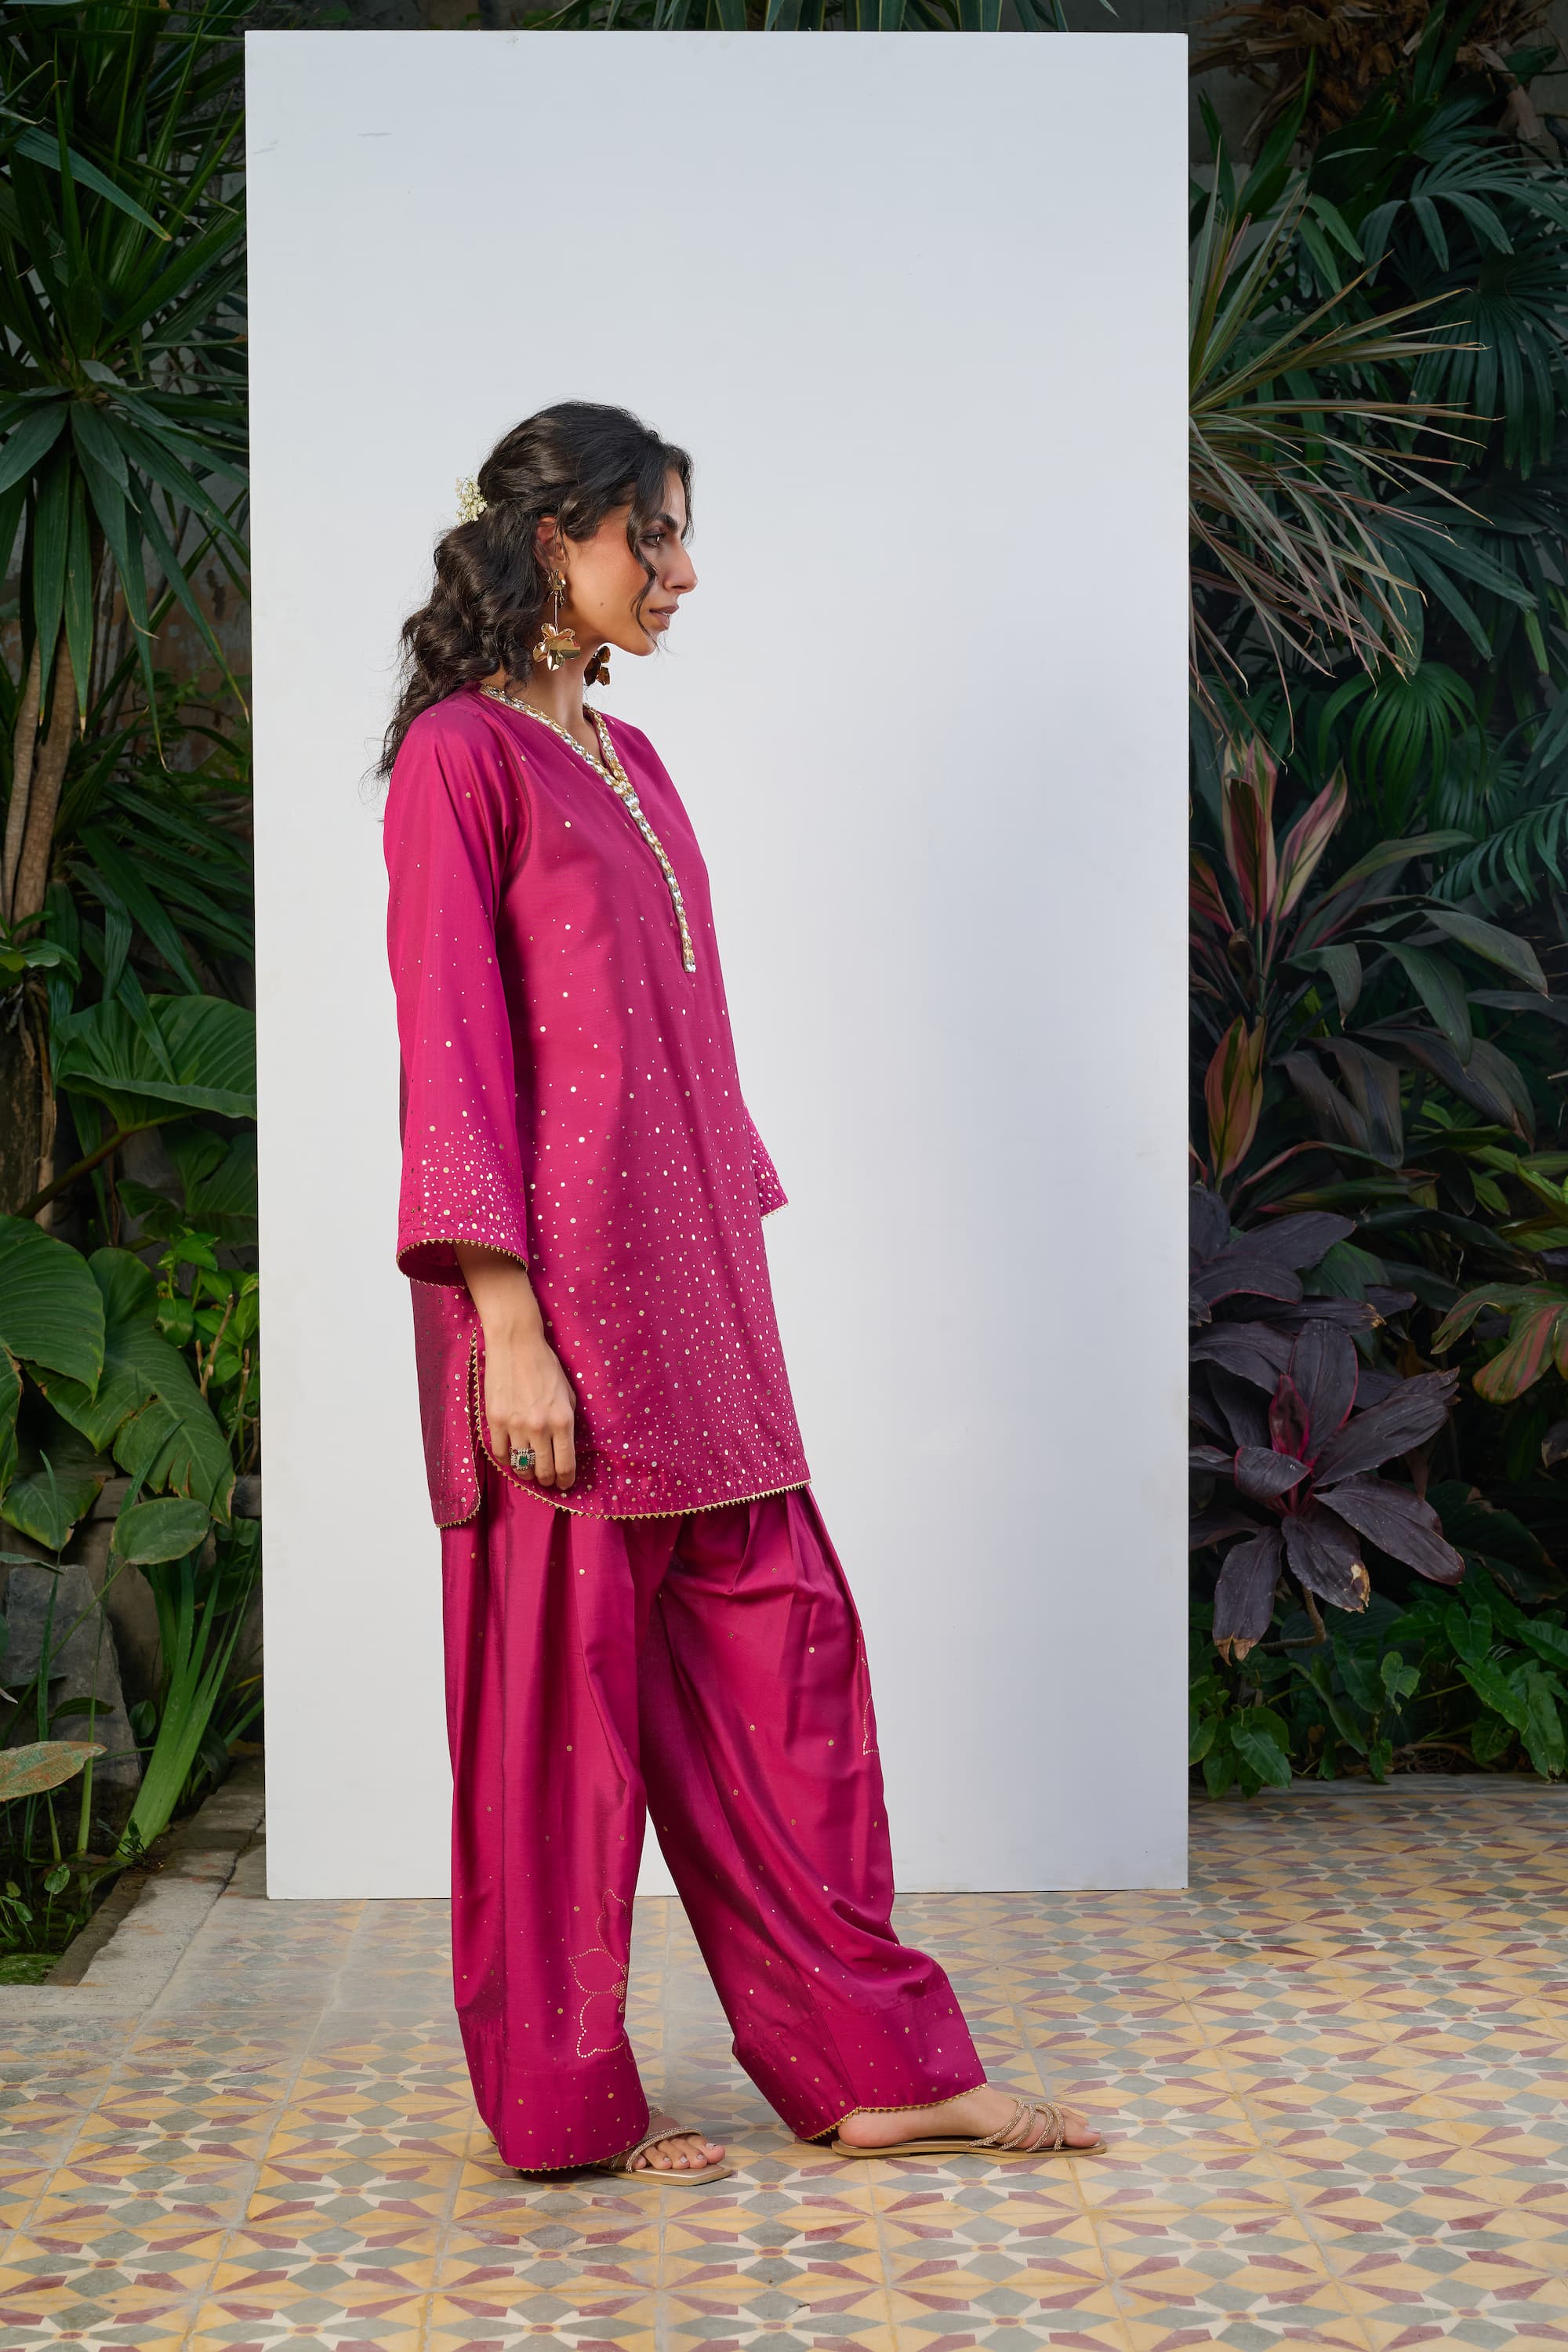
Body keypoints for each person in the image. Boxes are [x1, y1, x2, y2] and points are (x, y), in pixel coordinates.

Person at [380, 401, 1102, 2181]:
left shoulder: (634, 761)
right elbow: (453, 1059)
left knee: (788, 1684)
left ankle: (874, 2069)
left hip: (693, 1297)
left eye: (681, 538)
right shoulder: (459, 762)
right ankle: (564, 2110)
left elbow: (675, 1050)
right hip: (553, 1320)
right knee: (562, 1728)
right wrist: (509, 1334)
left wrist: (719, 1257)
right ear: (553, 542)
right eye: (653, 537)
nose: (683, 574)